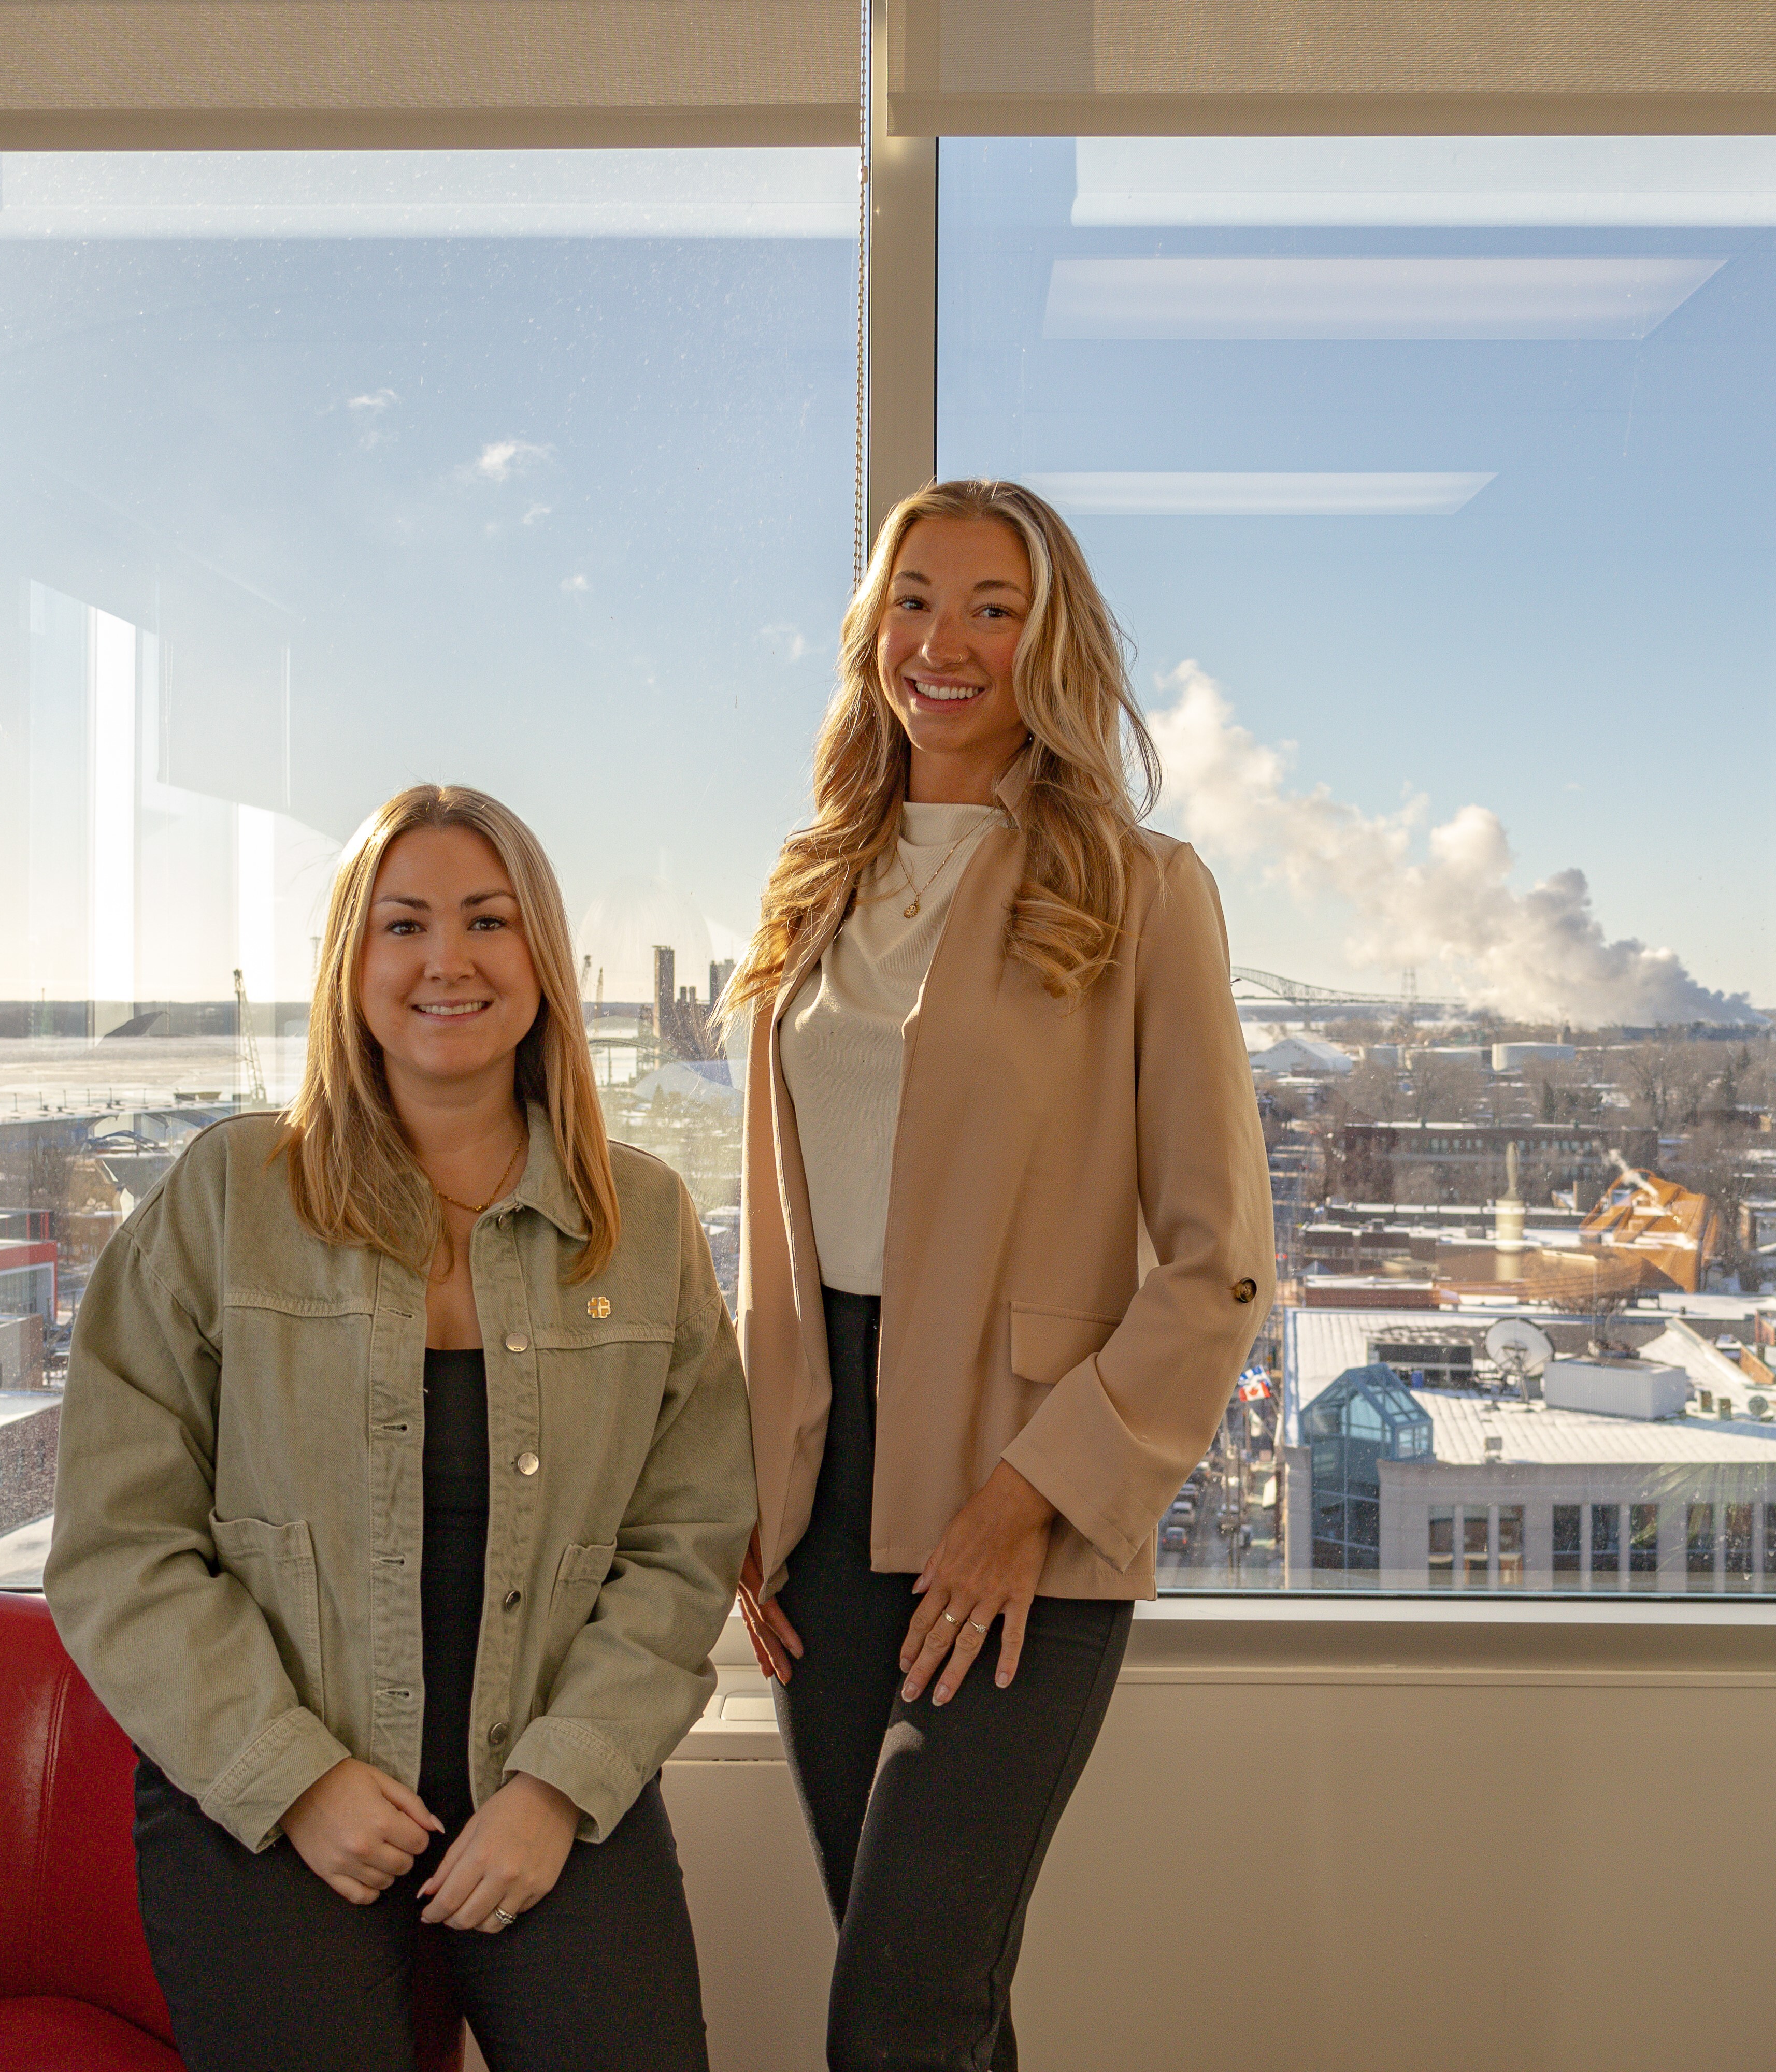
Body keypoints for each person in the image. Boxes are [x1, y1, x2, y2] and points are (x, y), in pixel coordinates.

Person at [48, 784, 754, 2072]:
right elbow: (120, 1546)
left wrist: (557, 1785)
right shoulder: (223, 1198)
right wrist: (292, 1776)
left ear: (542, 955)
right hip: (267, 1791)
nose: (449, 960)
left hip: (549, 1778)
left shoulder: (644, 1222)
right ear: (350, 964)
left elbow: (687, 1539)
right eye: (404, 924)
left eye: (488, 919)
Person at [726, 480, 1278, 2069]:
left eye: (993, 604)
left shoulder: (1139, 887)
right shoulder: (810, 885)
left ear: (1051, 640)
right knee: (939, 2011)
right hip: (817, 1514)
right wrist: (742, 1495)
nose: (944, 642)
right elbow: (772, 1237)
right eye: (914, 599)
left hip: (1024, 1500)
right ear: (869, 632)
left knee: (901, 2012)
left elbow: (1220, 1257)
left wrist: (1028, 1496)